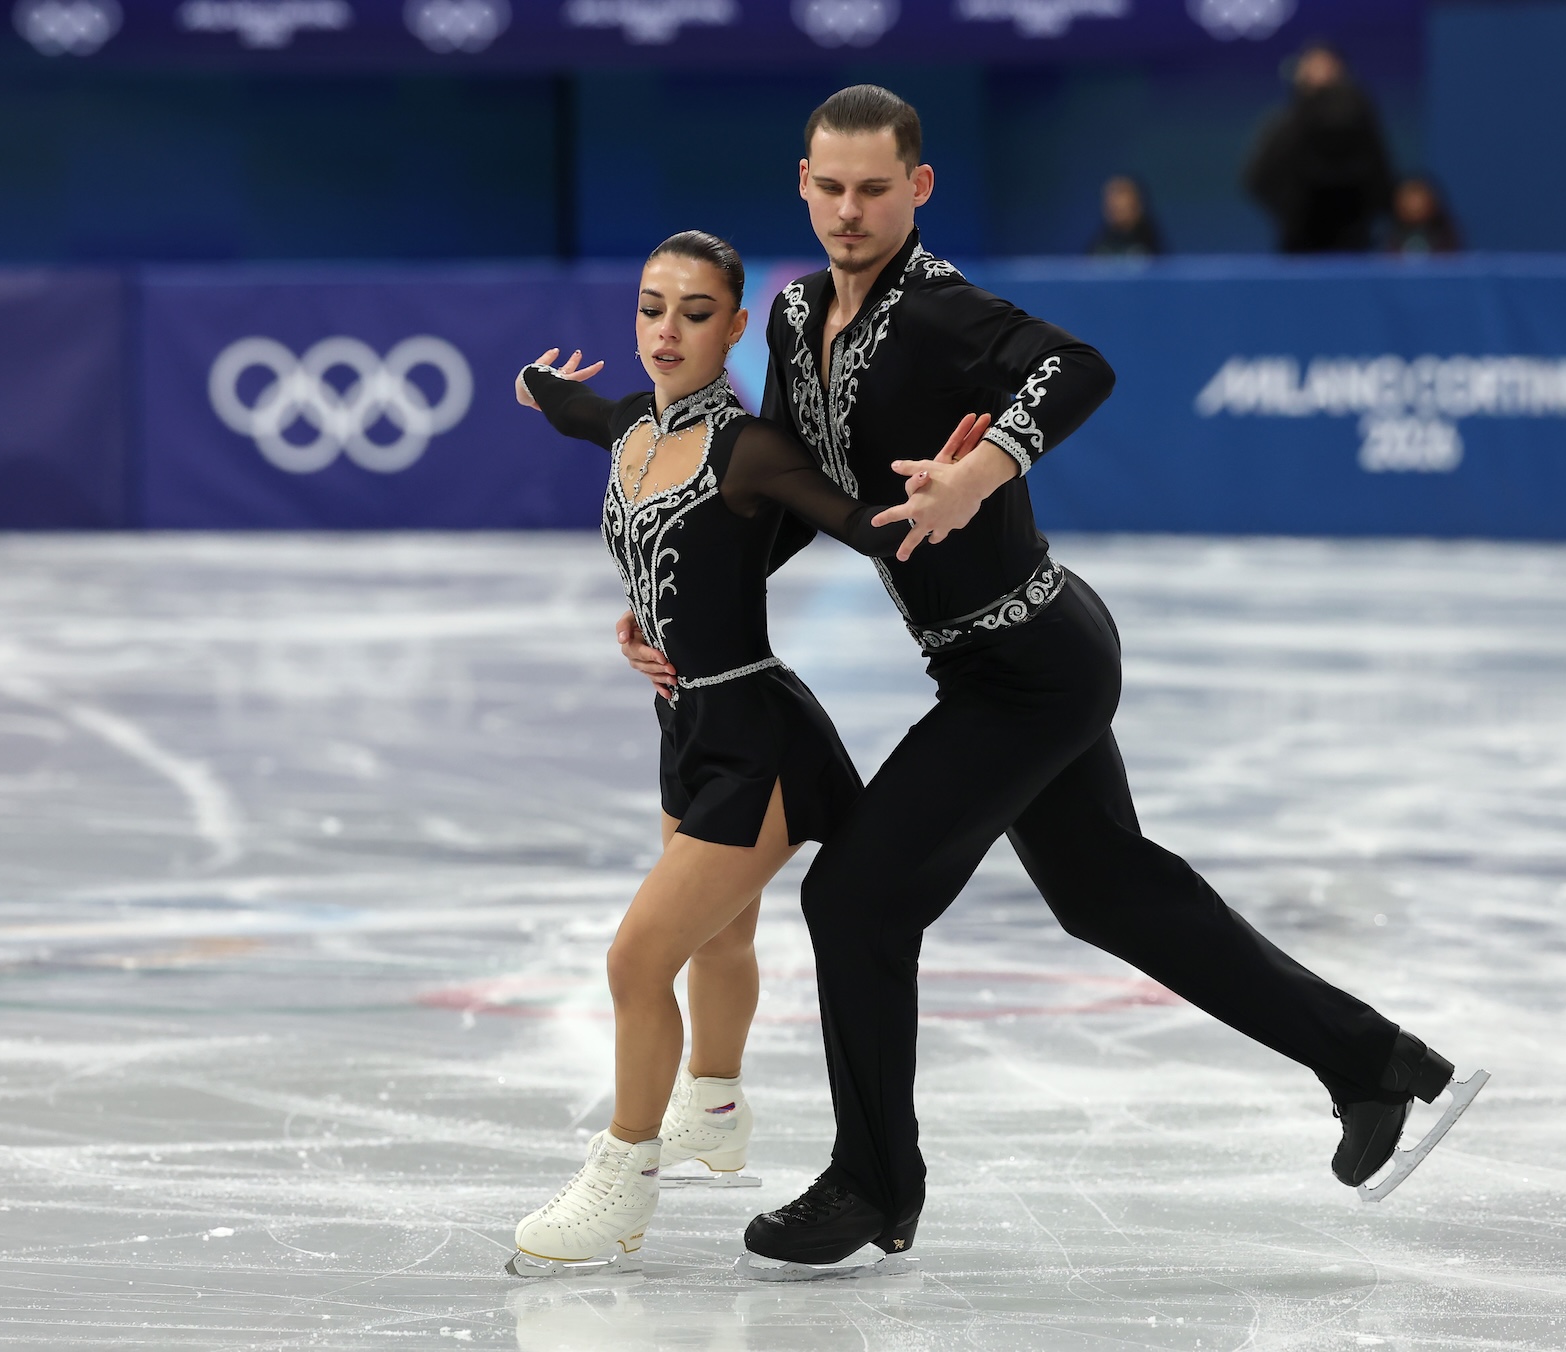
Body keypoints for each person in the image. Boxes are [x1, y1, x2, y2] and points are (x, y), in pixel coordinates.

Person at [616, 86, 1484, 1279]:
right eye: (830, 186)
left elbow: (1080, 367)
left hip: (1028, 666)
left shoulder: (940, 310)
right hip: (1011, 659)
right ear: (803, 184)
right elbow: (808, 495)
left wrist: (982, 472)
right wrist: (682, 600)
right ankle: (1375, 1062)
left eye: (877, 189)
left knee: (858, 899)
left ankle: (876, 1181)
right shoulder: (796, 312)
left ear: (918, 188)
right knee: (1111, 892)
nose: (851, 210)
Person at [503, 229, 991, 1276]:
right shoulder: (632, 424)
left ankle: (620, 1178)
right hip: (686, 725)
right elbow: (568, 404)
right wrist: (535, 382)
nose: (666, 330)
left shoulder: (749, 450)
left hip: (756, 741)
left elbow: (862, 526)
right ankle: (714, 1108)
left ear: (734, 328)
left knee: (638, 957)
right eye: (649, 307)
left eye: (692, 312)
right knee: (720, 940)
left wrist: (949, 484)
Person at [1242, 40, 1394, 254]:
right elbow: (1258, 179)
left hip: (1352, 237)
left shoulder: (1360, 117)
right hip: (1299, 238)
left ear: (1342, 71)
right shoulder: (1286, 123)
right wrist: (1290, 210)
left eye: (1327, 66)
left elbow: (1380, 174)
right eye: (1312, 66)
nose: (1320, 74)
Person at [1087, 174, 1166, 257]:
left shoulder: (1154, 248)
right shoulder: (1097, 247)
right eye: (1110, 194)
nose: (1113, 201)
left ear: (1138, 203)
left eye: (1120, 192)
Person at [1384, 175, 1461, 255]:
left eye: (1417, 197)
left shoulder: (1447, 236)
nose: (1414, 204)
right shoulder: (1389, 236)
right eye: (1410, 198)